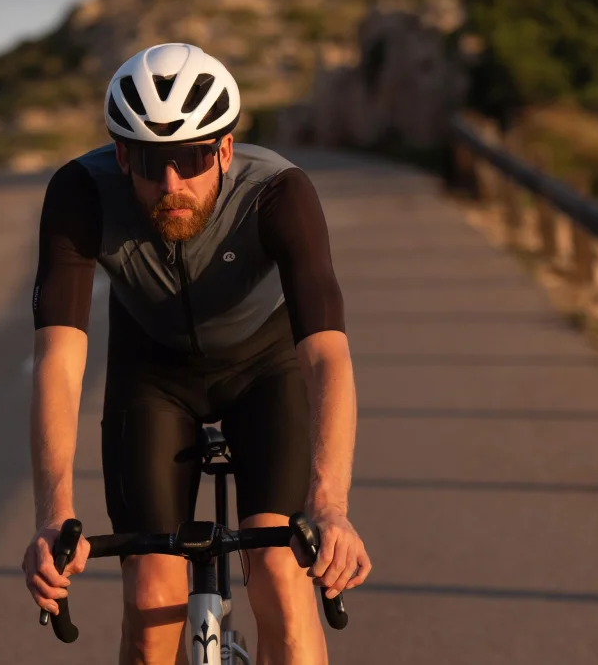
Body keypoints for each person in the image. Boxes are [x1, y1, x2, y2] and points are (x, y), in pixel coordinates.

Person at [20, 42, 371, 664]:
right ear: (122, 155)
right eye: (150, 162)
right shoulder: (81, 194)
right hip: (153, 376)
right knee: (151, 600)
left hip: (265, 369)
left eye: (192, 158)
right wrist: (55, 516)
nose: (171, 184)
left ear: (225, 149)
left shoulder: (278, 192)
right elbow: (59, 363)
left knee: (283, 580)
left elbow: (327, 360)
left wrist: (330, 506)